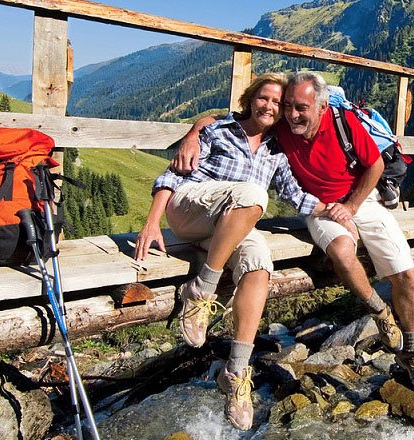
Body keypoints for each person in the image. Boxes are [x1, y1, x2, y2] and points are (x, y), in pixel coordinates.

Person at [175, 72, 414, 395]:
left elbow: (376, 165)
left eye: (301, 107)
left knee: (406, 273)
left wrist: (352, 207)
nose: (292, 114)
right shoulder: (282, 125)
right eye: (288, 107)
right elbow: (227, 118)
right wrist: (193, 131)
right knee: (342, 251)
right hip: (320, 207)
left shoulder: (344, 122)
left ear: (322, 106)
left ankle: (413, 354)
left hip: (360, 199)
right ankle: (380, 313)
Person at [135, 73, 328, 430]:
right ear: (250, 99)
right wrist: (151, 223)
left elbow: (296, 196)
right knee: (254, 195)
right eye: (263, 98)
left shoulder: (275, 149)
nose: (269, 106)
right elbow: (172, 176)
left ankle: (235, 372)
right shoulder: (219, 130)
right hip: (190, 208)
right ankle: (202, 289)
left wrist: (338, 209)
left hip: (228, 224)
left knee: (259, 266)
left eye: (277, 102)